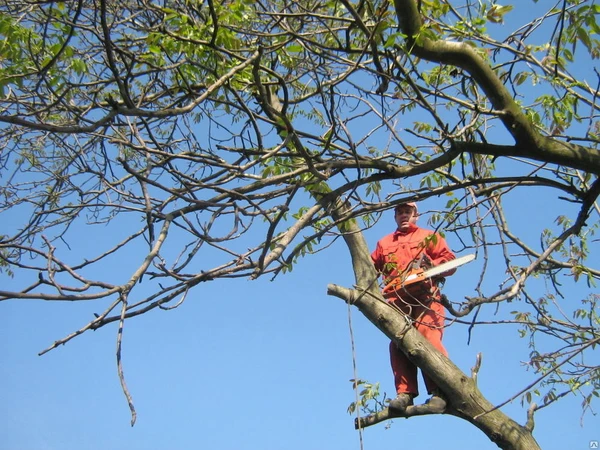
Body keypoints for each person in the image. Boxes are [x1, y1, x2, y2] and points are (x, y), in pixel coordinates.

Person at [371, 202, 456, 413]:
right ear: (395, 217)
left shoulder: (429, 237)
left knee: (429, 338)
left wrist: (431, 267)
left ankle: (440, 391)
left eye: (407, 212)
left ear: (416, 215)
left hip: (426, 298)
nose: (403, 215)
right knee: (398, 344)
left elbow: (450, 262)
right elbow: (369, 267)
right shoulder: (384, 243)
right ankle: (405, 394)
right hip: (398, 301)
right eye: (399, 212)